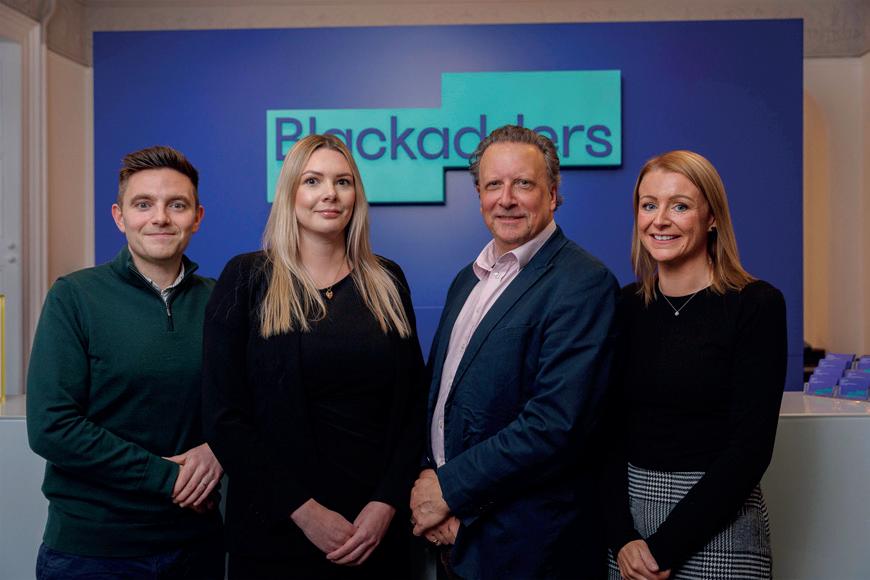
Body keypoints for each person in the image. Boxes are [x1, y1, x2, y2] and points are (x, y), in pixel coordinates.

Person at [201, 134, 425, 579]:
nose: (330, 193)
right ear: (290, 193)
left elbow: (414, 408)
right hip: (276, 533)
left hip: (374, 534)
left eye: (343, 181)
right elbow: (224, 417)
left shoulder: (388, 280)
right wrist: (304, 512)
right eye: (313, 181)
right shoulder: (247, 278)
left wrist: (385, 504)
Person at [410, 125, 620, 579]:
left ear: (553, 193)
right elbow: (440, 400)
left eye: (523, 183)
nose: (506, 199)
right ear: (479, 196)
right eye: (493, 185)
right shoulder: (467, 280)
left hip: (528, 551)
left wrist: (447, 490)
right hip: (454, 541)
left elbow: (554, 425)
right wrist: (430, 477)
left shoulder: (584, 282)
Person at [27, 145, 224, 579]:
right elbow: (52, 426)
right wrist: (165, 477)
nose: (160, 218)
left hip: (197, 545)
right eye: (143, 204)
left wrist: (218, 450)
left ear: (197, 217)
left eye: (177, 205)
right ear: (119, 217)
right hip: (93, 553)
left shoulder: (222, 301)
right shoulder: (74, 297)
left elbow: (248, 405)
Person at [605, 150, 787, 580]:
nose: (660, 220)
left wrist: (665, 548)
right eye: (649, 205)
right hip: (631, 532)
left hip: (718, 526)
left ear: (712, 218)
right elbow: (606, 433)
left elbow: (750, 449)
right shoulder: (624, 306)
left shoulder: (756, 305)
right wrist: (622, 537)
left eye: (680, 206)